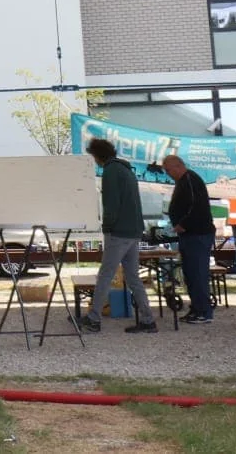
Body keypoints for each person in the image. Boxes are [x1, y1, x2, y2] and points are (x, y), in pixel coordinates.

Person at [79, 137, 156, 334]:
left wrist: (107, 226)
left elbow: (111, 204)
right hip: (133, 230)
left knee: (105, 274)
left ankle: (93, 318)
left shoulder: (111, 171)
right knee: (133, 277)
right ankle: (148, 319)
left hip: (118, 231)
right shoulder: (127, 170)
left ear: (97, 156)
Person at [161, 154, 214, 324]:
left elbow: (196, 205)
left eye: (168, 170)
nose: (168, 173)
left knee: (198, 273)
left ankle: (204, 311)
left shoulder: (190, 179)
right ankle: (196, 308)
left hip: (197, 234)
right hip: (188, 234)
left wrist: (183, 223)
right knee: (190, 274)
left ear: (178, 166)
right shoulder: (183, 181)